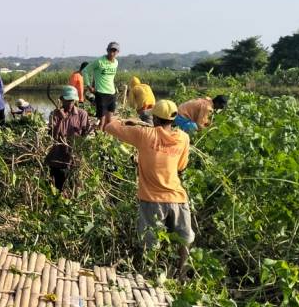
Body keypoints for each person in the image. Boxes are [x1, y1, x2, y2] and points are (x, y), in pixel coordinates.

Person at [103, 99, 194, 275]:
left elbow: (110, 127)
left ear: (156, 120)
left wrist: (129, 121)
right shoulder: (183, 138)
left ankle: (149, 273)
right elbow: (181, 166)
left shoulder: (144, 135)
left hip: (152, 200)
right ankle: (182, 274)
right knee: (184, 239)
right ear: (173, 120)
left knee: (150, 242)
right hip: (178, 197)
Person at [45, 86, 94, 192]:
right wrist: (61, 120)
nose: (70, 103)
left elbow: (85, 134)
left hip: (73, 157)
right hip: (57, 157)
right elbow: (53, 136)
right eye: (67, 100)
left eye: (72, 100)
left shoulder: (82, 114)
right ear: (62, 100)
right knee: (57, 188)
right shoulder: (55, 114)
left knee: (74, 187)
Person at [84, 42, 120, 129]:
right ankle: (99, 140)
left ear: (118, 52)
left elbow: (110, 78)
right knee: (102, 122)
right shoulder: (99, 61)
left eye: (114, 51)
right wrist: (89, 86)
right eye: (111, 50)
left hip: (112, 94)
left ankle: (106, 140)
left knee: (109, 121)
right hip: (101, 94)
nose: (112, 53)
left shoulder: (116, 63)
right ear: (107, 50)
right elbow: (85, 71)